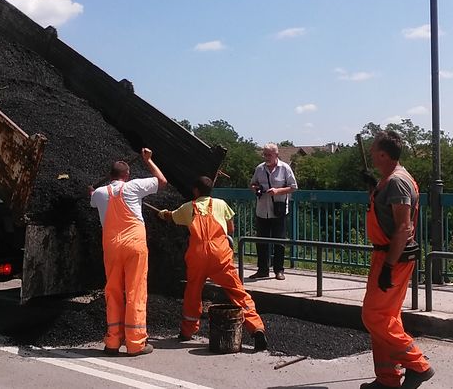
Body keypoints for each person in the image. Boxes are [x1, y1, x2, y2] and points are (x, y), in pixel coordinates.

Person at [157, 176, 268, 351]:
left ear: (195, 191)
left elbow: (172, 217)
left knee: (193, 292)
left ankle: (187, 331)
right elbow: (230, 228)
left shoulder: (188, 208)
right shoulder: (221, 204)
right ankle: (256, 328)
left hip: (198, 256)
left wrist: (163, 214)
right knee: (237, 292)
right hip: (220, 255)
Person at [360, 131, 435, 389]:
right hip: (387, 254)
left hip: (393, 257)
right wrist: (374, 187)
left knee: (374, 317)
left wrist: (389, 266)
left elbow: (403, 228)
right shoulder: (388, 181)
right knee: (386, 318)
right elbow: (388, 215)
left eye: (373, 151)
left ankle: (419, 365)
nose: (371, 154)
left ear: (383, 154)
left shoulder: (397, 182)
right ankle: (387, 379)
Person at [89, 148, 167, 356]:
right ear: (127, 176)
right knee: (135, 291)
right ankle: (135, 343)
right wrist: (148, 160)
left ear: (111, 175)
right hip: (134, 245)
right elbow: (161, 181)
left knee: (113, 290)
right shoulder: (134, 187)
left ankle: (112, 342)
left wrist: (92, 192)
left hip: (112, 247)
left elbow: (92, 201)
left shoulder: (99, 193)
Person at [248, 143, 297, 280]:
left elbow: (293, 187)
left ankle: (279, 270)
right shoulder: (260, 168)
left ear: (276, 154)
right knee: (262, 242)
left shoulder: (285, 168)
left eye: (269, 155)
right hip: (262, 209)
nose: (266, 157)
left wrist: (277, 191)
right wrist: (255, 188)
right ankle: (262, 269)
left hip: (278, 210)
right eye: (265, 154)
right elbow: (252, 183)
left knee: (279, 241)